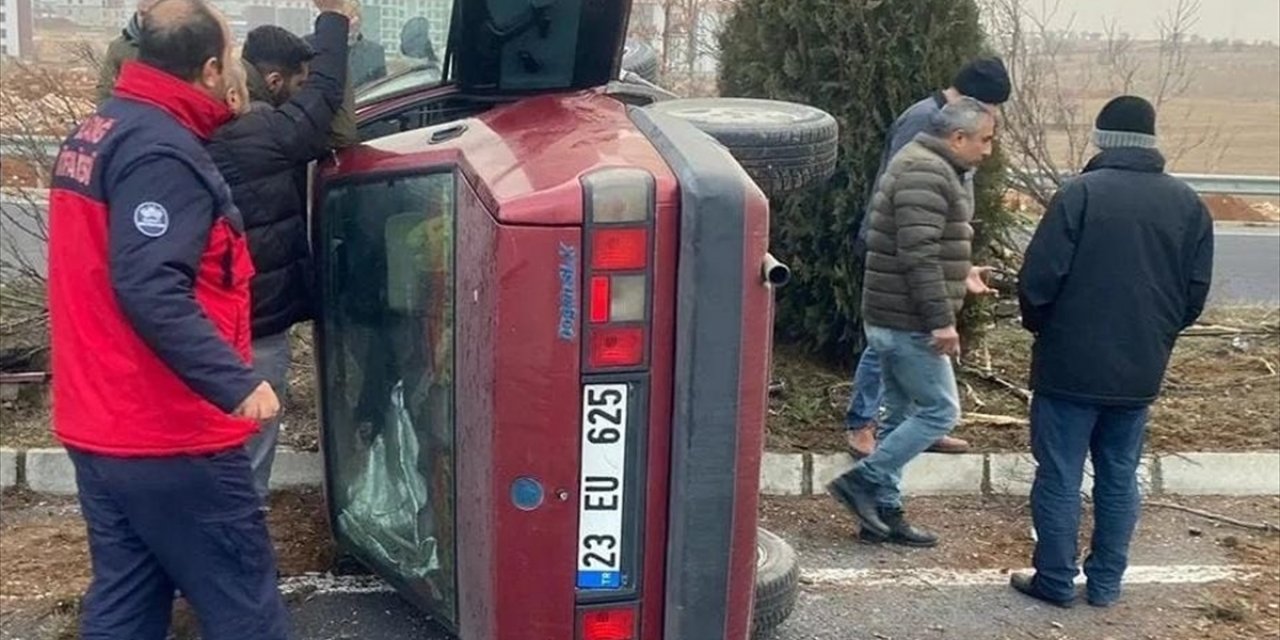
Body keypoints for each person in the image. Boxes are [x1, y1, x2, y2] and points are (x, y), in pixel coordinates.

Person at [46, 0, 289, 637]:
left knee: (126, 603)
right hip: (168, 432)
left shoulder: (100, 130)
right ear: (210, 68)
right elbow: (149, 285)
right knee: (246, 610)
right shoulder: (161, 152)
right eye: (231, 58)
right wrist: (233, 383)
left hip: (101, 424)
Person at [1009, 96, 1214, 608]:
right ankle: (1105, 585)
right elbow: (1194, 293)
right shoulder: (1189, 204)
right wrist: (1157, 336)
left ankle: (1055, 581)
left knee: (1059, 473)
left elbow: (1039, 280)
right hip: (1140, 368)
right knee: (1120, 475)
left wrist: (1042, 328)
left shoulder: (1079, 194)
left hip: (1069, 365)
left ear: (1101, 139)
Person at [828, 98, 997, 547]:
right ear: (958, 138)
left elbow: (923, 242)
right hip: (908, 320)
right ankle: (865, 480)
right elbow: (917, 255)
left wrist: (962, 271)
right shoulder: (927, 171)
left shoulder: (927, 164)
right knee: (941, 411)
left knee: (901, 415)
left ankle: (883, 514)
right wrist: (942, 322)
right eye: (984, 140)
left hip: (894, 316)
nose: (987, 151)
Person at [206, 1, 356, 500]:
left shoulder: (198, 127)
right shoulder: (256, 133)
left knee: (212, 440)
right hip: (257, 321)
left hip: (206, 319)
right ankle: (234, 547)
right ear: (272, 81)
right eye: (293, 85)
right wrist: (333, 19)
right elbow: (325, 97)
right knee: (250, 443)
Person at [845, 57, 1011, 459]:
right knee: (889, 341)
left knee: (902, 346)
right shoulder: (924, 122)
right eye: (990, 108)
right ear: (972, 101)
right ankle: (862, 424)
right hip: (901, 249)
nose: (991, 121)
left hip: (928, 246)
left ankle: (916, 427)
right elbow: (912, 213)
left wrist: (960, 263)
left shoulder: (951, 126)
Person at [95, 0, 161, 104]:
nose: (146, 19)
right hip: (130, 113)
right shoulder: (119, 47)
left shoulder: (179, 44)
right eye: (143, 13)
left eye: (152, 13)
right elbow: (105, 88)